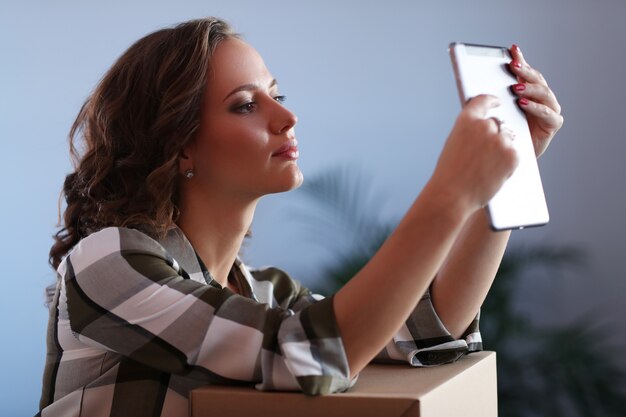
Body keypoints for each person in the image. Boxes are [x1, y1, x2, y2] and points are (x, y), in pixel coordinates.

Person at [37, 17, 563, 417]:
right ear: (179, 147)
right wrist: (450, 191)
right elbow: (311, 356)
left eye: (277, 95)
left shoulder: (263, 294)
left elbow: (424, 332)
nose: (287, 117)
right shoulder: (107, 261)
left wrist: (512, 171)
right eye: (246, 104)